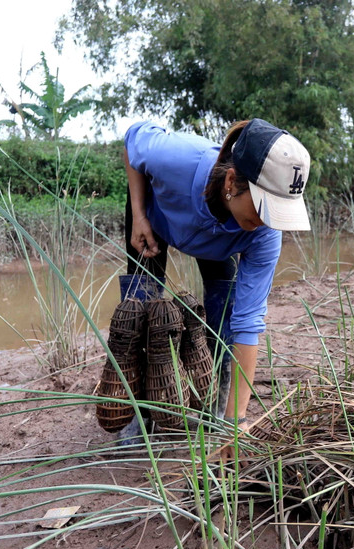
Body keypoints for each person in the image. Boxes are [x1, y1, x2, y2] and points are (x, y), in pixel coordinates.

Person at [117, 118, 311, 451]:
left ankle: (215, 408)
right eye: (265, 209)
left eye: (279, 213)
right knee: (140, 312)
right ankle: (141, 412)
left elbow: (248, 324)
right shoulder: (174, 157)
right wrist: (139, 214)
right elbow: (133, 138)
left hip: (219, 239)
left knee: (224, 319)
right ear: (232, 181)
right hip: (155, 219)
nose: (269, 223)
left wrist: (237, 422)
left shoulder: (262, 233)